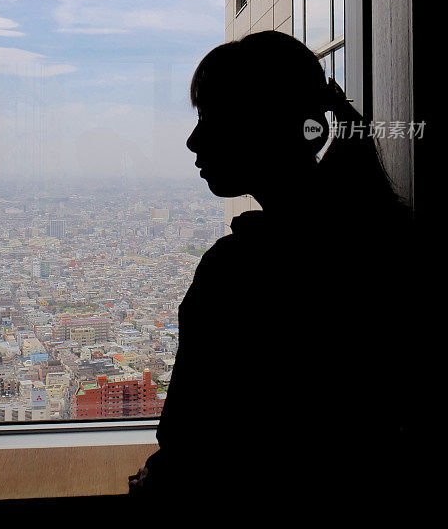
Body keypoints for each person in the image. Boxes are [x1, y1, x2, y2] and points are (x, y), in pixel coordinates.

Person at [129, 30, 421, 515]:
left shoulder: (240, 272)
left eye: (211, 117)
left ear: (262, 126)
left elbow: (191, 439)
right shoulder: (384, 237)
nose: (192, 138)